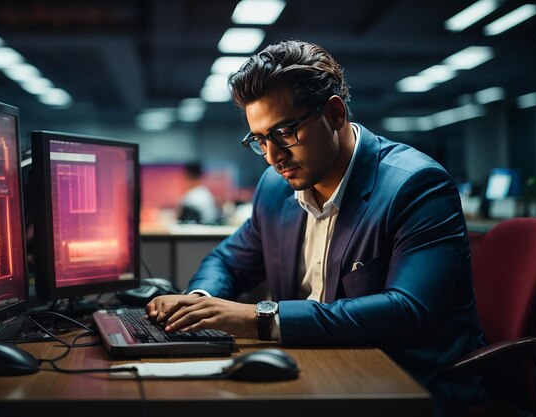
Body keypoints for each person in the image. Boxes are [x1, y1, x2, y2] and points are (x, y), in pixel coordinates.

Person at [147, 40, 490, 416]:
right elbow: (228, 261)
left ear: (335, 113)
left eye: (284, 133)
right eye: (260, 140)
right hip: (315, 367)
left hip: (409, 383)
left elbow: (408, 312)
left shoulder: (417, 185)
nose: (273, 157)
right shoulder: (275, 188)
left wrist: (259, 317)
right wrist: (200, 301)